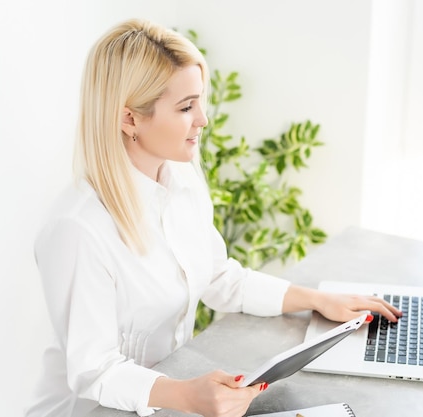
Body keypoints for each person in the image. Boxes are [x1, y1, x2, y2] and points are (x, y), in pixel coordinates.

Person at [24, 18, 402, 417]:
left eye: (200, 101)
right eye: (186, 107)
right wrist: (186, 395)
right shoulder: (77, 229)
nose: (203, 119)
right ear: (130, 119)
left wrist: (318, 300)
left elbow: (219, 277)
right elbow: (93, 370)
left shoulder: (180, 178)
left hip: (162, 402)